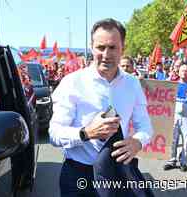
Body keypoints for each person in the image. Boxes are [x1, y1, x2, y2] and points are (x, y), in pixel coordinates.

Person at [49, 18, 153, 196]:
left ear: (123, 48)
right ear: (91, 47)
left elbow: (145, 126)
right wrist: (86, 133)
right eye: (100, 47)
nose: (106, 54)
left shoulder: (133, 84)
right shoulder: (71, 82)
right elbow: (54, 134)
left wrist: (138, 142)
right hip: (79, 176)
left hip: (118, 174)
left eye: (112, 47)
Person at [163, 64, 187, 172]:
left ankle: (183, 162)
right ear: (178, 72)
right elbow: (159, 89)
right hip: (174, 116)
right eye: (182, 70)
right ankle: (171, 160)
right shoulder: (173, 84)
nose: (184, 72)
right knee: (172, 139)